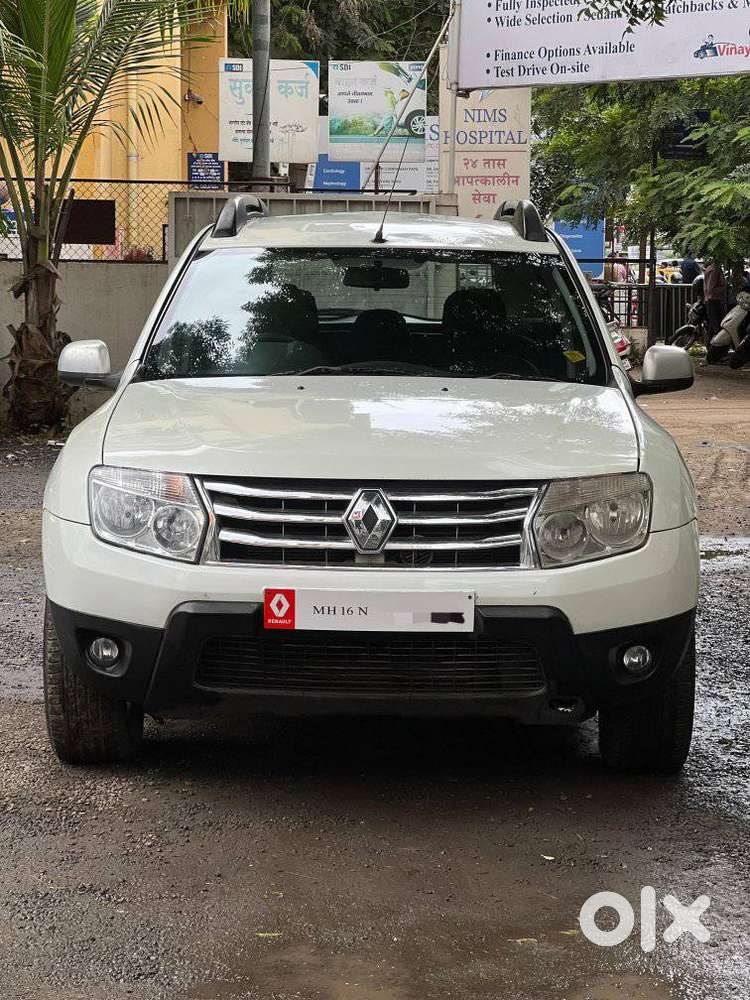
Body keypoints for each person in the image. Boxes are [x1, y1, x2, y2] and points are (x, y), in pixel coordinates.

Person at [703, 260, 727, 336]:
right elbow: (711, 289)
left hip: (711, 300)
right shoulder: (715, 269)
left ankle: (711, 345)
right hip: (714, 300)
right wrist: (724, 287)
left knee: (713, 326)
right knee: (717, 326)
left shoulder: (711, 268)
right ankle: (717, 346)